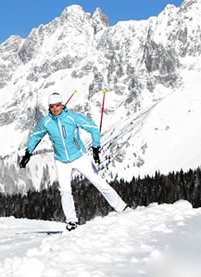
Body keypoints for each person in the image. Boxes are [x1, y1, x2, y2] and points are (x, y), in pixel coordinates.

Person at [19, 92, 127, 231]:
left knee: (98, 181)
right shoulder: (46, 122)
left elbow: (93, 128)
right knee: (65, 191)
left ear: (62, 104)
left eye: (57, 105)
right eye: (52, 106)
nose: (55, 108)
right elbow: (35, 136)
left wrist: (95, 148)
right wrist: (28, 153)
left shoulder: (73, 117)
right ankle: (71, 221)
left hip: (80, 157)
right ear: (49, 107)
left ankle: (122, 207)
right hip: (61, 161)